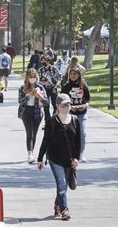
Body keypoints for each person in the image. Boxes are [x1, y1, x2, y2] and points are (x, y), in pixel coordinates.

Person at [37, 93, 80, 221]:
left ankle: (57, 204)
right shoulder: (52, 122)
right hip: (55, 159)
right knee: (61, 183)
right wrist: (40, 159)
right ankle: (64, 210)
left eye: (68, 105)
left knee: (64, 186)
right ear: (57, 106)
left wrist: (77, 158)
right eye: (63, 105)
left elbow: (78, 142)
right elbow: (45, 141)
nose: (66, 107)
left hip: (69, 159)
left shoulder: (75, 120)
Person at [18, 69, 49, 163]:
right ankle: (30, 153)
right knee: (29, 133)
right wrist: (28, 95)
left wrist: (39, 96)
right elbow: (20, 101)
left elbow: (47, 102)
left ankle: (32, 151)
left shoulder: (40, 87)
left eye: (34, 77)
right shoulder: (22, 88)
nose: (32, 79)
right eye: (30, 77)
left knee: (34, 133)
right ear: (27, 78)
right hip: (26, 111)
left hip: (37, 112)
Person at [61, 67, 90, 162]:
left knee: (82, 133)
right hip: (70, 114)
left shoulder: (83, 85)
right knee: (71, 134)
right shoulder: (67, 86)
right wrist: (70, 107)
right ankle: (70, 153)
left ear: (79, 75)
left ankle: (80, 153)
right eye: (71, 74)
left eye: (75, 74)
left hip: (81, 113)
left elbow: (87, 100)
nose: (73, 76)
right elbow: (61, 100)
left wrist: (84, 106)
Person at [38, 56, 62, 121]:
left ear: (48, 61)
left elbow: (60, 76)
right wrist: (43, 83)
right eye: (41, 60)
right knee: (46, 106)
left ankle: (54, 120)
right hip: (45, 89)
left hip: (53, 88)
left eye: (44, 60)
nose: (42, 62)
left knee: (55, 105)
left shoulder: (54, 68)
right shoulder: (40, 70)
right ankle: (48, 121)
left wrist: (58, 83)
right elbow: (38, 81)